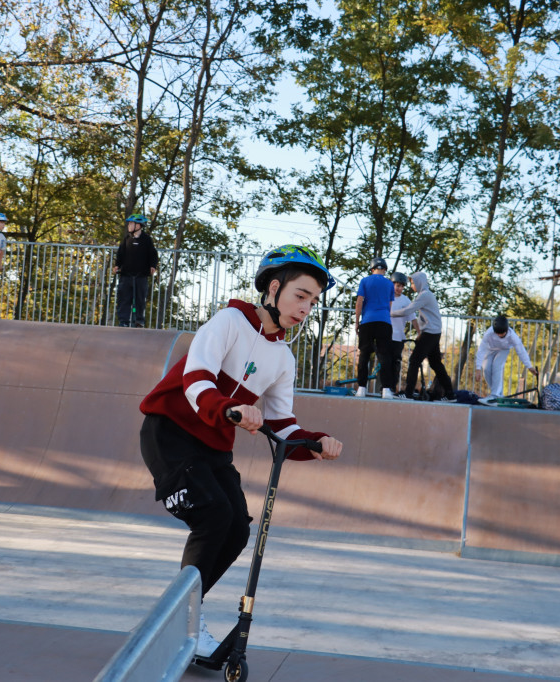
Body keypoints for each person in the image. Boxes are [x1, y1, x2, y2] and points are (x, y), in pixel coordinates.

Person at [138, 244, 343, 657]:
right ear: (273, 287)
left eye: (313, 301)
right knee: (213, 516)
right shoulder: (229, 321)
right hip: (171, 433)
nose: (306, 307)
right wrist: (229, 408)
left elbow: (283, 426)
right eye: (300, 295)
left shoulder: (283, 357)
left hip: (213, 447)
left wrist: (315, 442)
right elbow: (196, 380)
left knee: (236, 529)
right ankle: (183, 623)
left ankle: (178, 616)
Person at [390, 272, 454, 401]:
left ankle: (408, 394)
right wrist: (420, 333)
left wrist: (389, 313)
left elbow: (408, 310)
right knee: (436, 364)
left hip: (430, 333)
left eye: (413, 283)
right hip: (433, 332)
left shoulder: (424, 295)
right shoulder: (425, 295)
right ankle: (450, 394)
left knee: (414, 361)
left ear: (419, 282)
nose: (411, 286)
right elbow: (421, 318)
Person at [353, 257, 396, 399]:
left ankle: (361, 389)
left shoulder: (365, 281)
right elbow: (389, 305)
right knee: (384, 356)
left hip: (367, 321)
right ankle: (386, 390)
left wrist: (357, 321)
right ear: (384, 269)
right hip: (384, 321)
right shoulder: (390, 284)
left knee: (364, 355)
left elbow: (359, 302)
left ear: (372, 269)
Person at [475, 315, 539, 398]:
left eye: (502, 334)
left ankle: (495, 394)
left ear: (507, 330)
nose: (500, 336)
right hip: (490, 349)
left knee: (497, 367)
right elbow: (481, 350)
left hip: (503, 350)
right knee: (486, 369)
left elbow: (521, 351)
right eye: (497, 334)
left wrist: (529, 366)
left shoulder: (513, 336)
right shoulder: (488, 333)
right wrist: (478, 368)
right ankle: (498, 393)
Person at [113, 214, 159, 327]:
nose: (129, 226)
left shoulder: (147, 240)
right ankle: (123, 321)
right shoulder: (127, 239)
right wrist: (117, 265)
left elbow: (153, 254)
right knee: (124, 298)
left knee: (140, 299)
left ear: (138, 225)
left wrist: (153, 266)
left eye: (131, 223)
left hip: (141, 275)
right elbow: (121, 253)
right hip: (126, 274)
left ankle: (139, 320)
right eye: (129, 224)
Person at [388, 272, 413, 394]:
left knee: (395, 363)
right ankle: (384, 387)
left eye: (402, 286)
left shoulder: (406, 300)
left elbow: (413, 317)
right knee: (385, 362)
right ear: (391, 284)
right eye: (397, 285)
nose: (399, 288)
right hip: (385, 335)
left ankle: (392, 388)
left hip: (398, 337)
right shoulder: (386, 297)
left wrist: (419, 332)